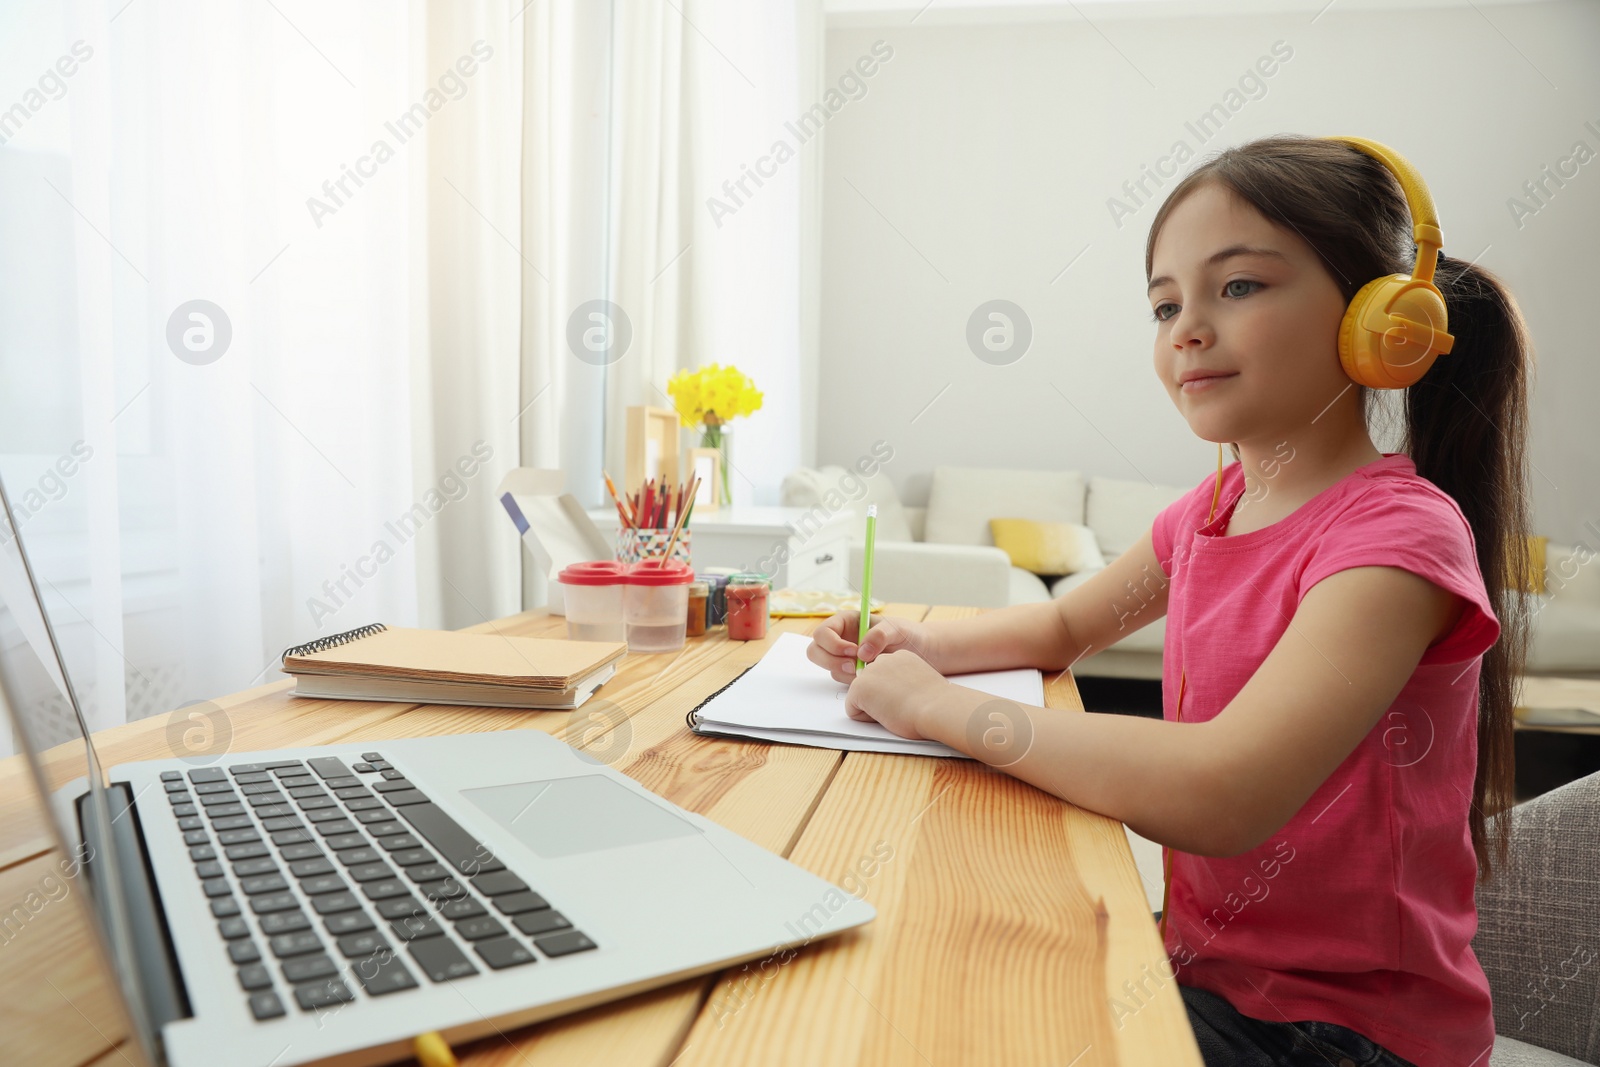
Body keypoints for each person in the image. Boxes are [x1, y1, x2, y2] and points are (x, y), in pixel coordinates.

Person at [807, 134, 1534, 1067]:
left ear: (1378, 318)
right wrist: (920, 642)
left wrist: (934, 707)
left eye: (1239, 286)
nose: (1187, 327)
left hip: (1344, 1033)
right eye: (1164, 304)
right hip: (1204, 973)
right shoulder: (1216, 506)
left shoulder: (1395, 537)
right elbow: (1066, 622)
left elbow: (1223, 792)